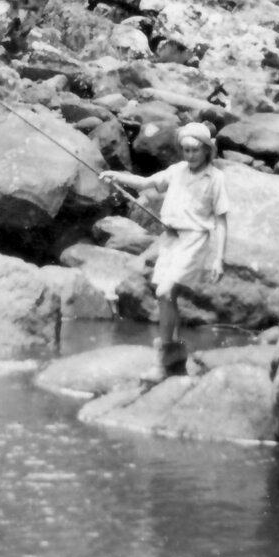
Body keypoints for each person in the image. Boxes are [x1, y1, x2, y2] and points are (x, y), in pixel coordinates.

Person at [101, 121, 228, 379]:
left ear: (206, 150)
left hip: (194, 239)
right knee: (165, 297)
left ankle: (163, 357)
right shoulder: (177, 170)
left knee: (165, 289)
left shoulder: (215, 178)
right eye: (185, 149)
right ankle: (175, 349)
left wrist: (219, 258)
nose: (189, 155)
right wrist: (117, 176)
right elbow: (145, 183)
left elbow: (222, 220)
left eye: (194, 150)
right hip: (170, 238)